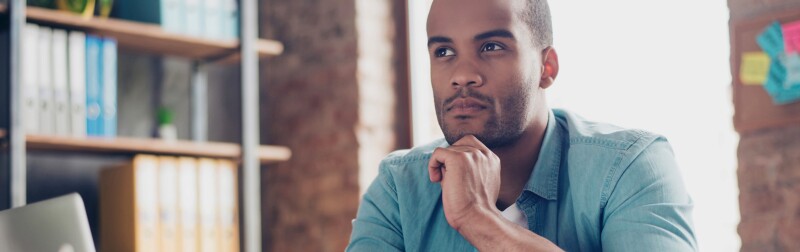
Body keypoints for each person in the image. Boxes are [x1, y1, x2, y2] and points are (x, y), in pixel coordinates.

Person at [347, 0, 697, 250]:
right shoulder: (399, 186)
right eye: (443, 52)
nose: (463, 75)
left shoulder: (630, 167)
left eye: (491, 46)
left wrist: (478, 218)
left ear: (547, 68)